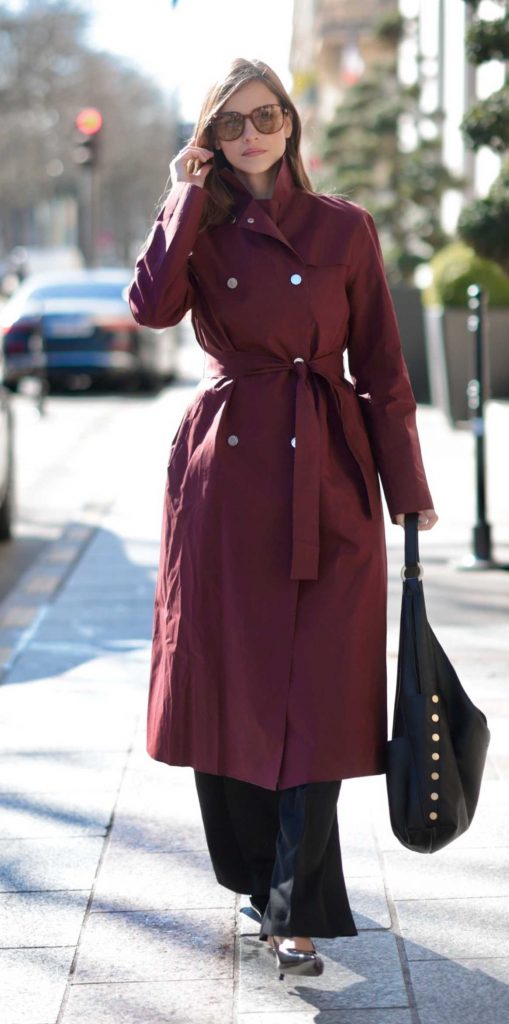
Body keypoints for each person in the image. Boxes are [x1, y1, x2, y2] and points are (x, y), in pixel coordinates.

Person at [129, 57, 437, 981]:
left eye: (267, 116)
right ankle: (254, 876)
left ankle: (297, 908)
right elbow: (149, 308)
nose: (254, 133)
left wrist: (407, 491)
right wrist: (181, 201)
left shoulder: (346, 227)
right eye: (232, 124)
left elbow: (383, 364)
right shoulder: (201, 226)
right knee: (229, 685)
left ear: (292, 123)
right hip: (228, 479)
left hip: (332, 473)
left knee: (323, 694)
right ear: (209, 141)